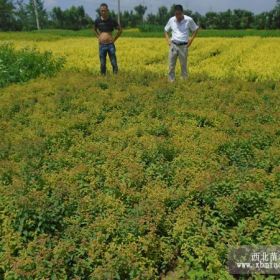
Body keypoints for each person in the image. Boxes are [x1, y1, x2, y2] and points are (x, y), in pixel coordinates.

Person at [164, 5, 199, 82]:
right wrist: (168, 41)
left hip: (183, 46)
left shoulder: (189, 20)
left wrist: (191, 40)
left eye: (179, 14)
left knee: (183, 65)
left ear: (182, 13)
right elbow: (165, 30)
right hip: (173, 45)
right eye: (176, 14)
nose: (177, 16)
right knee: (171, 65)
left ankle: (184, 82)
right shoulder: (172, 20)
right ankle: (171, 81)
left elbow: (195, 29)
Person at [93, 3, 122, 75]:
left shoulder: (112, 20)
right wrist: (98, 37)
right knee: (102, 63)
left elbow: (120, 30)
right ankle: (103, 77)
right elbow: (94, 29)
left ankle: (116, 77)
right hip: (102, 45)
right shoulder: (97, 20)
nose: (103, 12)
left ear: (107, 10)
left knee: (113, 62)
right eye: (102, 11)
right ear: (100, 11)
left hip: (110, 45)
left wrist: (114, 39)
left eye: (104, 10)